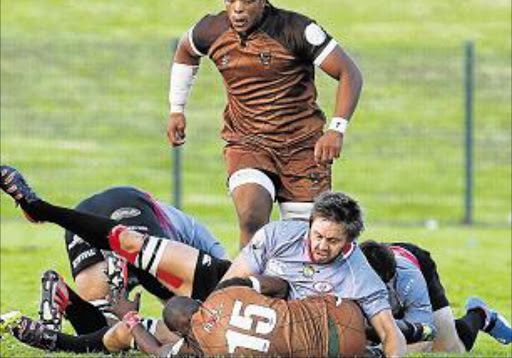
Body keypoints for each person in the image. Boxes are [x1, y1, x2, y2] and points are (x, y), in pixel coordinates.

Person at [166, 0, 363, 247]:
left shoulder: (296, 29)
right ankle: (247, 289)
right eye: (231, 0)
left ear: (263, 0)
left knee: (305, 241)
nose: (238, 9)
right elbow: (185, 51)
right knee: (251, 216)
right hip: (248, 143)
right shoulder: (212, 30)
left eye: (247, 1)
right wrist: (176, 109)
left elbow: (349, 73)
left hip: (303, 148)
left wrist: (336, 129)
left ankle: (298, 292)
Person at [0, 165, 232, 353]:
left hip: (85, 215)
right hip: (132, 209)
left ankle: (61, 293)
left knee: (102, 323)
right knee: (177, 308)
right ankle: (122, 260)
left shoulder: (209, 252)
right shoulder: (213, 269)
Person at [221, 191, 407, 357]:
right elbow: (230, 284)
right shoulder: (276, 236)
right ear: (310, 224)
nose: (322, 246)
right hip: (261, 318)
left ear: (349, 241)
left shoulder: (360, 276)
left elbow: (389, 332)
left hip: (313, 338)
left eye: (333, 241)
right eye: (318, 236)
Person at [107, 278, 367, 357]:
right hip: (348, 315)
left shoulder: (197, 346)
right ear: (199, 301)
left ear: (177, 333)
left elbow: (155, 350)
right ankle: (400, 330)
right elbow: (281, 284)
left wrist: (128, 316)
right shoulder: (229, 292)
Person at [360, 240, 512, 354]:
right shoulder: (344, 277)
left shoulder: (410, 280)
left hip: (418, 266)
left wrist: (380, 352)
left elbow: (425, 336)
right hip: (385, 269)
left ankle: (480, 315)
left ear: (390, 279)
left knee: (448, 349)